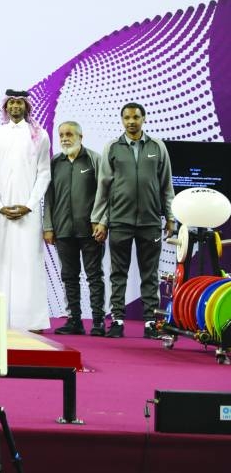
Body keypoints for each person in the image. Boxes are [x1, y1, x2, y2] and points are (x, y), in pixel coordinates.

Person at [91, 103, 175, 339]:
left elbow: (167, 186)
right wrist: (100, 220)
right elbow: (104, 188)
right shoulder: (112, 148)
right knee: (118, 273)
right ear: (122, 120)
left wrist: (170, 218)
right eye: (127, 117)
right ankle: (117, 320)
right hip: (119, 220)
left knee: (150, 274)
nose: (131, 121)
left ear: (143, 118)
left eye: (135, 117)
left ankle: (150, 322)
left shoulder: (158, 147)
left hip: (150, 222)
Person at [0, 89, 52, 332]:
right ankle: (1, 320)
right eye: (11, 103)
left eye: (19, 103)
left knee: (30, 262)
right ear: (6, 107)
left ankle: (32, 321)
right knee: (3, 263)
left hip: (29, 211)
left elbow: (44, 173)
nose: (15, 107)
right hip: (2, 211)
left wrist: (30, 204)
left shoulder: (39, 135)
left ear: (26, 107)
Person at [44, 121, 106, 336]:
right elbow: (49, 197)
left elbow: (104, 194)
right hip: (62, 231)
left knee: (94, 276)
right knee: (69, 276)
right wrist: (48, 226)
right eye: (61, 134)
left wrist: (102, 222)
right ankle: (74, 321)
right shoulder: (54, 162)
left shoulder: (94, 159)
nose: (64, 138)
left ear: (81, 136)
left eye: (69, 134)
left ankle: (98, 321)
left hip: (90, 230)